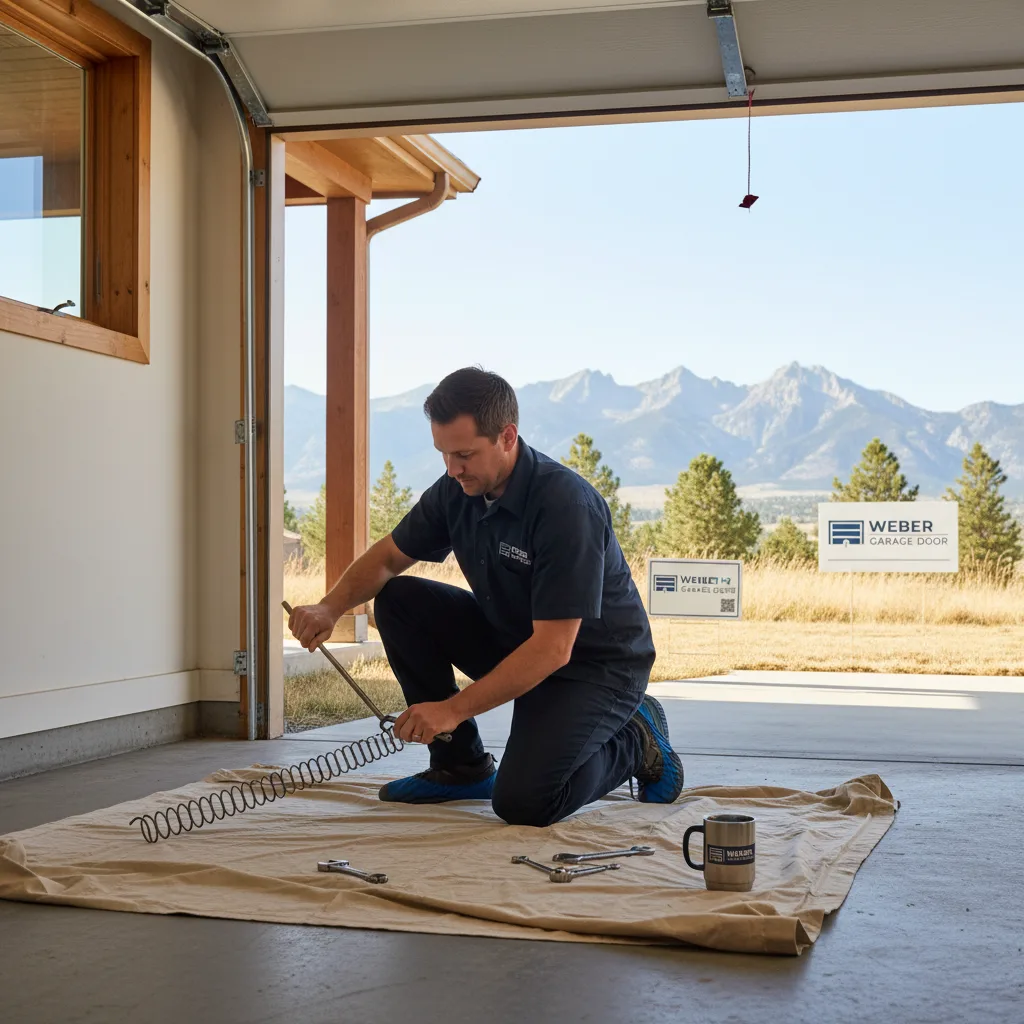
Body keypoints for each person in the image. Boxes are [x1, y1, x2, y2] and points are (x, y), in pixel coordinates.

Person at [287, 367, 682, 826]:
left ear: (508, 436)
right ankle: (461, 769)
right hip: (517, 640)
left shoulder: (565, 507)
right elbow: (387, 559)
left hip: (593, 667)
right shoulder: (457, 490)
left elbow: (555, 648)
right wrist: (329, 606)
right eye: (444, 454)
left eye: (464, 454)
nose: (453, 469)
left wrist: (451, 710)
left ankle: (638, 742)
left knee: (525, 803)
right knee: (399, 599)